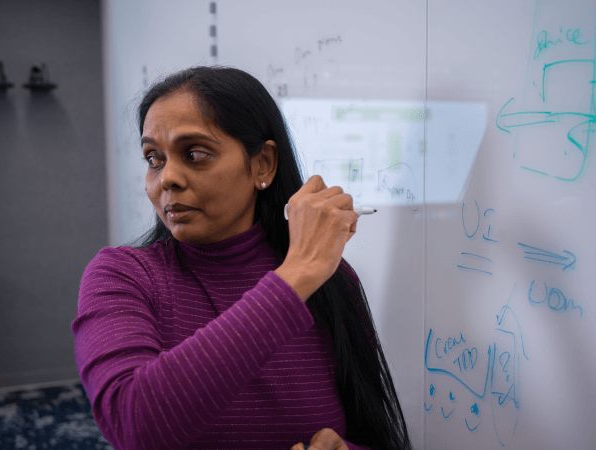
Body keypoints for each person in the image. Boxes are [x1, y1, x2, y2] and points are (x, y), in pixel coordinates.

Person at [72, 66, 411, 450]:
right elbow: (134, 424)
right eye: (154, 158)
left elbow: (374, 434)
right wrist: (296, 273)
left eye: (195, 154)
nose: (167, 178)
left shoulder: (330, 281)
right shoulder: (121, 276)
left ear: (262, 164)